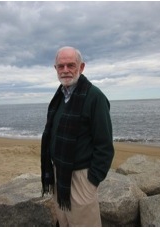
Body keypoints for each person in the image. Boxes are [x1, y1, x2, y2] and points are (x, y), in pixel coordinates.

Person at [41, 46, 114, 227]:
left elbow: (104, 146)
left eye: (71, 65)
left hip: (82, 177)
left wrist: (92, 181)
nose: (65, 70)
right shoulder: (59, 96)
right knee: (64, 222)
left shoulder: (95, 97)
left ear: (81, 67)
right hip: (60, 175)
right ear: (55, 68)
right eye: (61, 66)